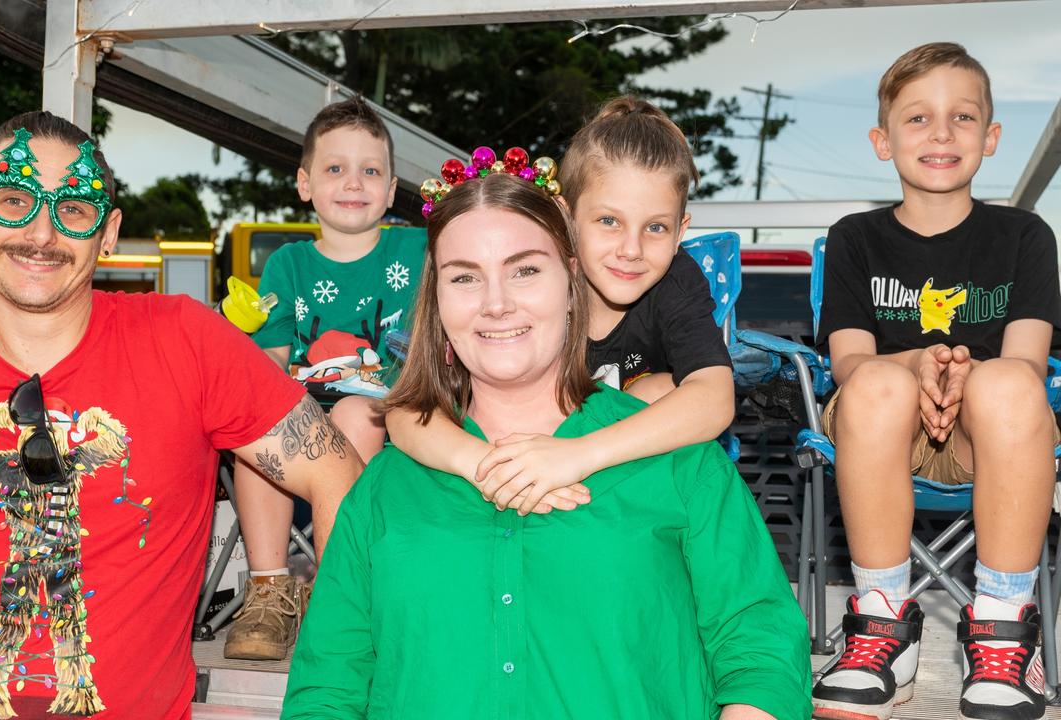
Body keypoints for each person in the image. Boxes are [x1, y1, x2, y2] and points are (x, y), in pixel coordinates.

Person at [0, 111, 363, 720]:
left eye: (74, 209)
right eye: (14, 200)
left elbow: (336, 476)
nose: (41, 233)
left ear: (107, 232)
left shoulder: (185, 344)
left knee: (64, 619)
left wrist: (335, 668)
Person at [281, 170, 811, 719]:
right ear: (435, 301)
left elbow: (762, 653)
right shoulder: (385, 491)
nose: (496, 304)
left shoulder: (681, 464)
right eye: (464, 278)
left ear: (572, 280)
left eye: (525, 270)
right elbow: (327, 688)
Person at [811, 43, 1061, 720]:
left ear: (991, 137)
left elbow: (1030, 364)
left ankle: (1006, 629)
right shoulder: (855, 238)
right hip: (882, 434)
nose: (942, 133)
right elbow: (849, 363)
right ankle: (883, 625)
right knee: (876, 386)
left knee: (1008, 384)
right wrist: (918, 364)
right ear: (882, 141)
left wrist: (962, 376)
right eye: (918, 118)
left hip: (993, 435)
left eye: (963, 117)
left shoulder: (1026, 236)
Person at [384, 96, 734, 517]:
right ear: (566, 215)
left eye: (656, 227)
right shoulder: (531, 288)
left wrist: (576, 456)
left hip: (614, 479)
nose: (631, 249)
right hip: (516, 461)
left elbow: (715, 400)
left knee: (657, 389)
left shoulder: (676, 281)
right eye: (609, 221)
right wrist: (489, 469)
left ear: (681, 232)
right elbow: (407, 411)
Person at [224, 96, 424, 661]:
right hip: (304, 404)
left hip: (389, 402)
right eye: (335, 168)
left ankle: (335, 592)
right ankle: (268, 588)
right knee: (257, 430)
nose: (353, 182)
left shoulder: (419, 247)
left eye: (371, 171)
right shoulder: (289, 263)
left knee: (355, 414)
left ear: (391, 190)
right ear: (305, 183)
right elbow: (271, 361)